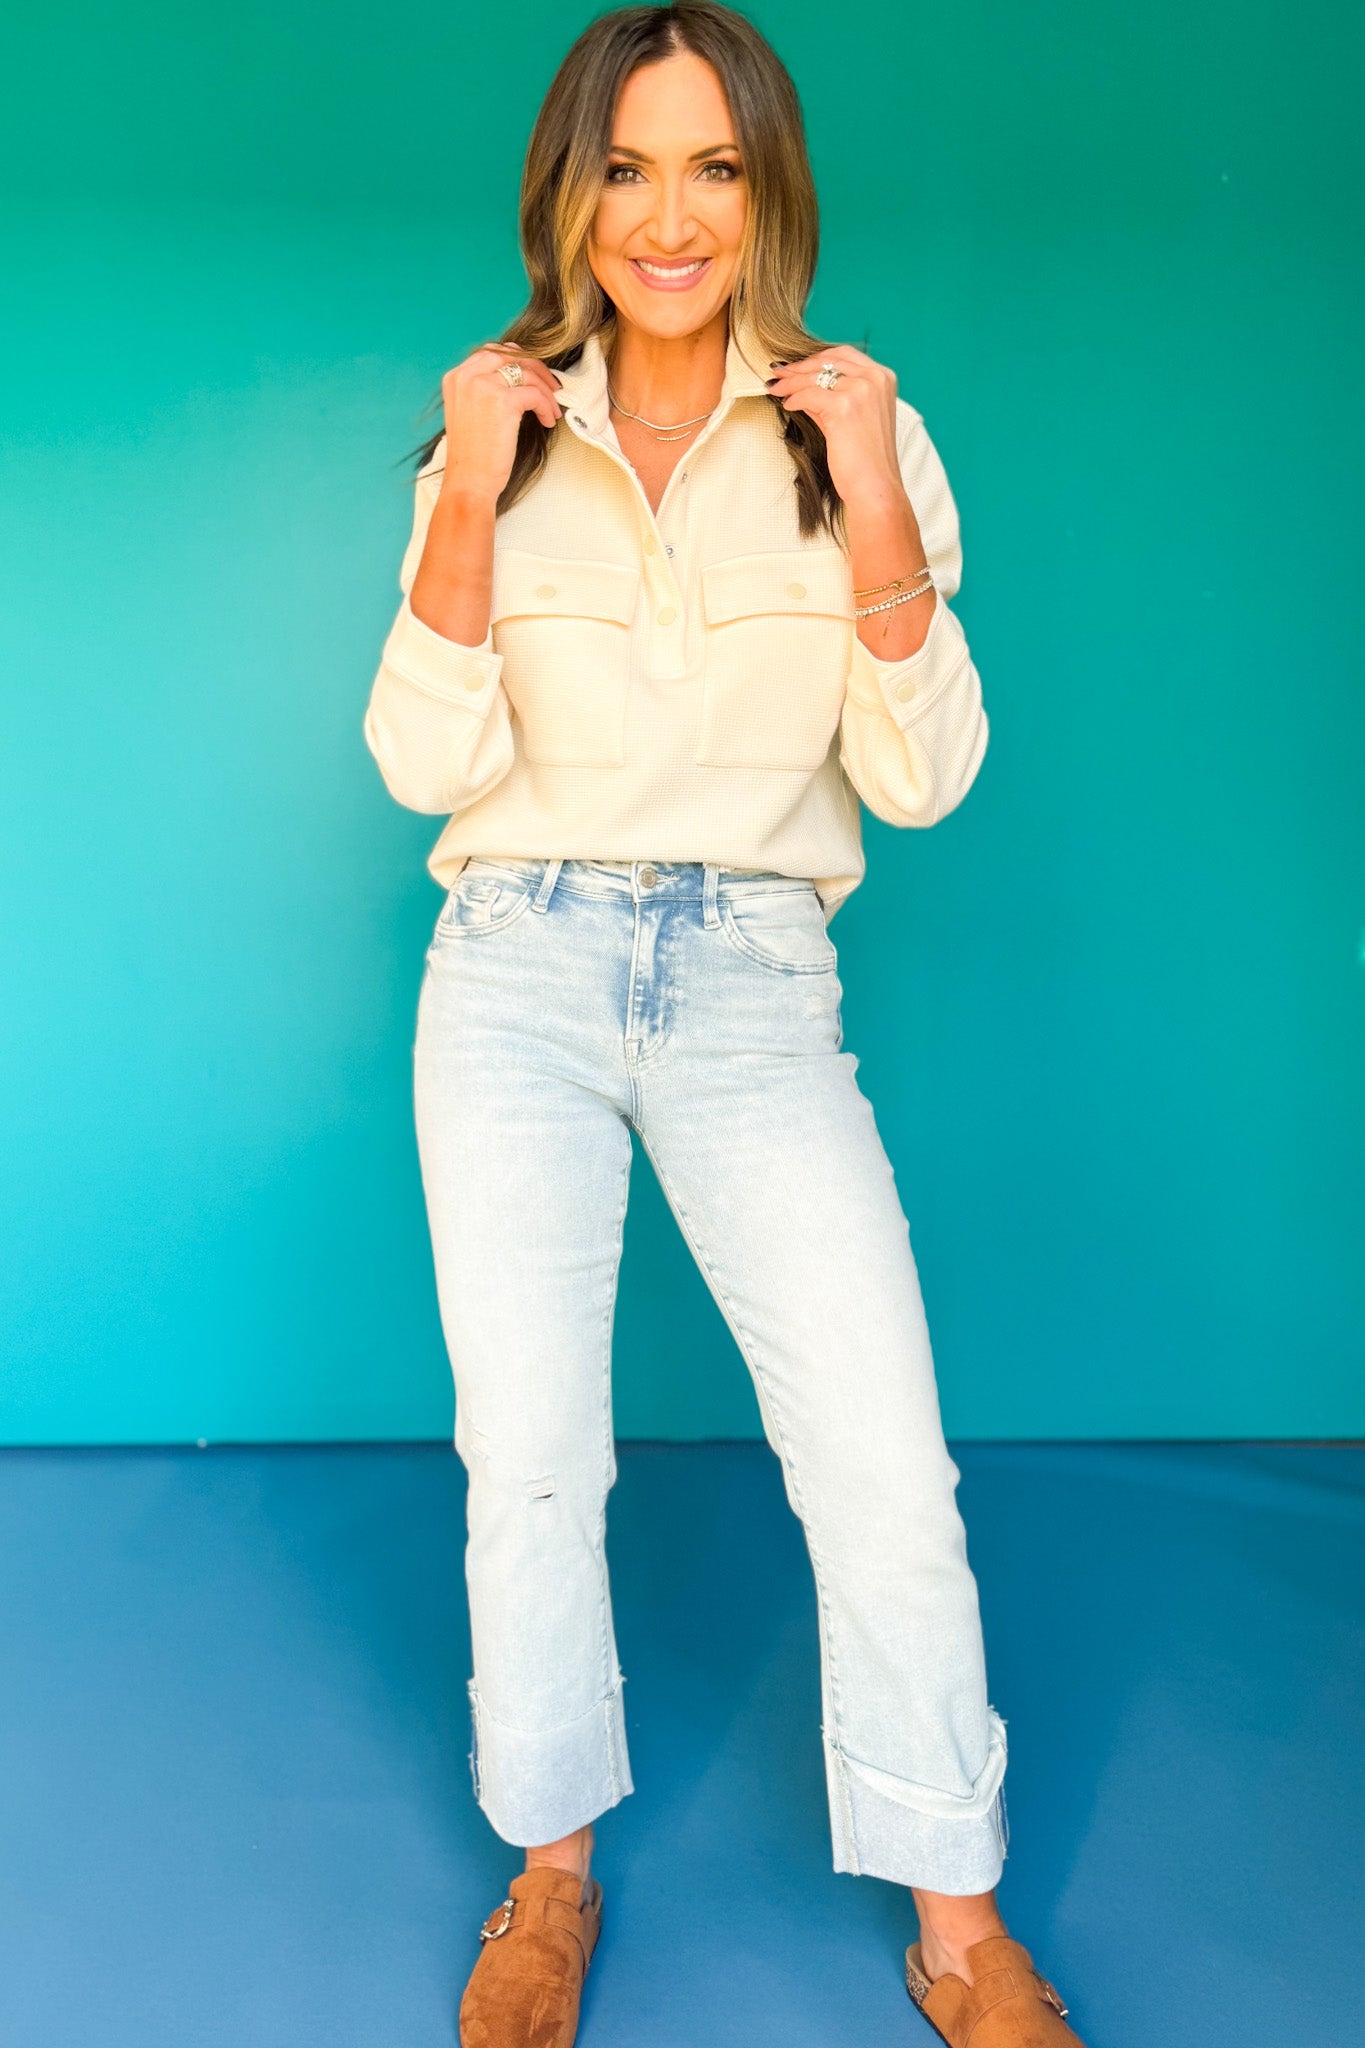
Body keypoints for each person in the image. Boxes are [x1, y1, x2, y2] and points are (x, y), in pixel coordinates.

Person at [363, 6, 1085, 2044]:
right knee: (528, 1455)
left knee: (881, 1457)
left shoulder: (861, 433)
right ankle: (548, 1873)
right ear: (567, 195)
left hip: (758, 977)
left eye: (711, 167)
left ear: (766, 194)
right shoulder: (488, 435)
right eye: (624, 167)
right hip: (513, 964)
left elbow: (922, 779)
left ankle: (960, 1927)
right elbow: (420, 766)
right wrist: (463, 495)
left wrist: (869, 495)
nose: (666, 217)